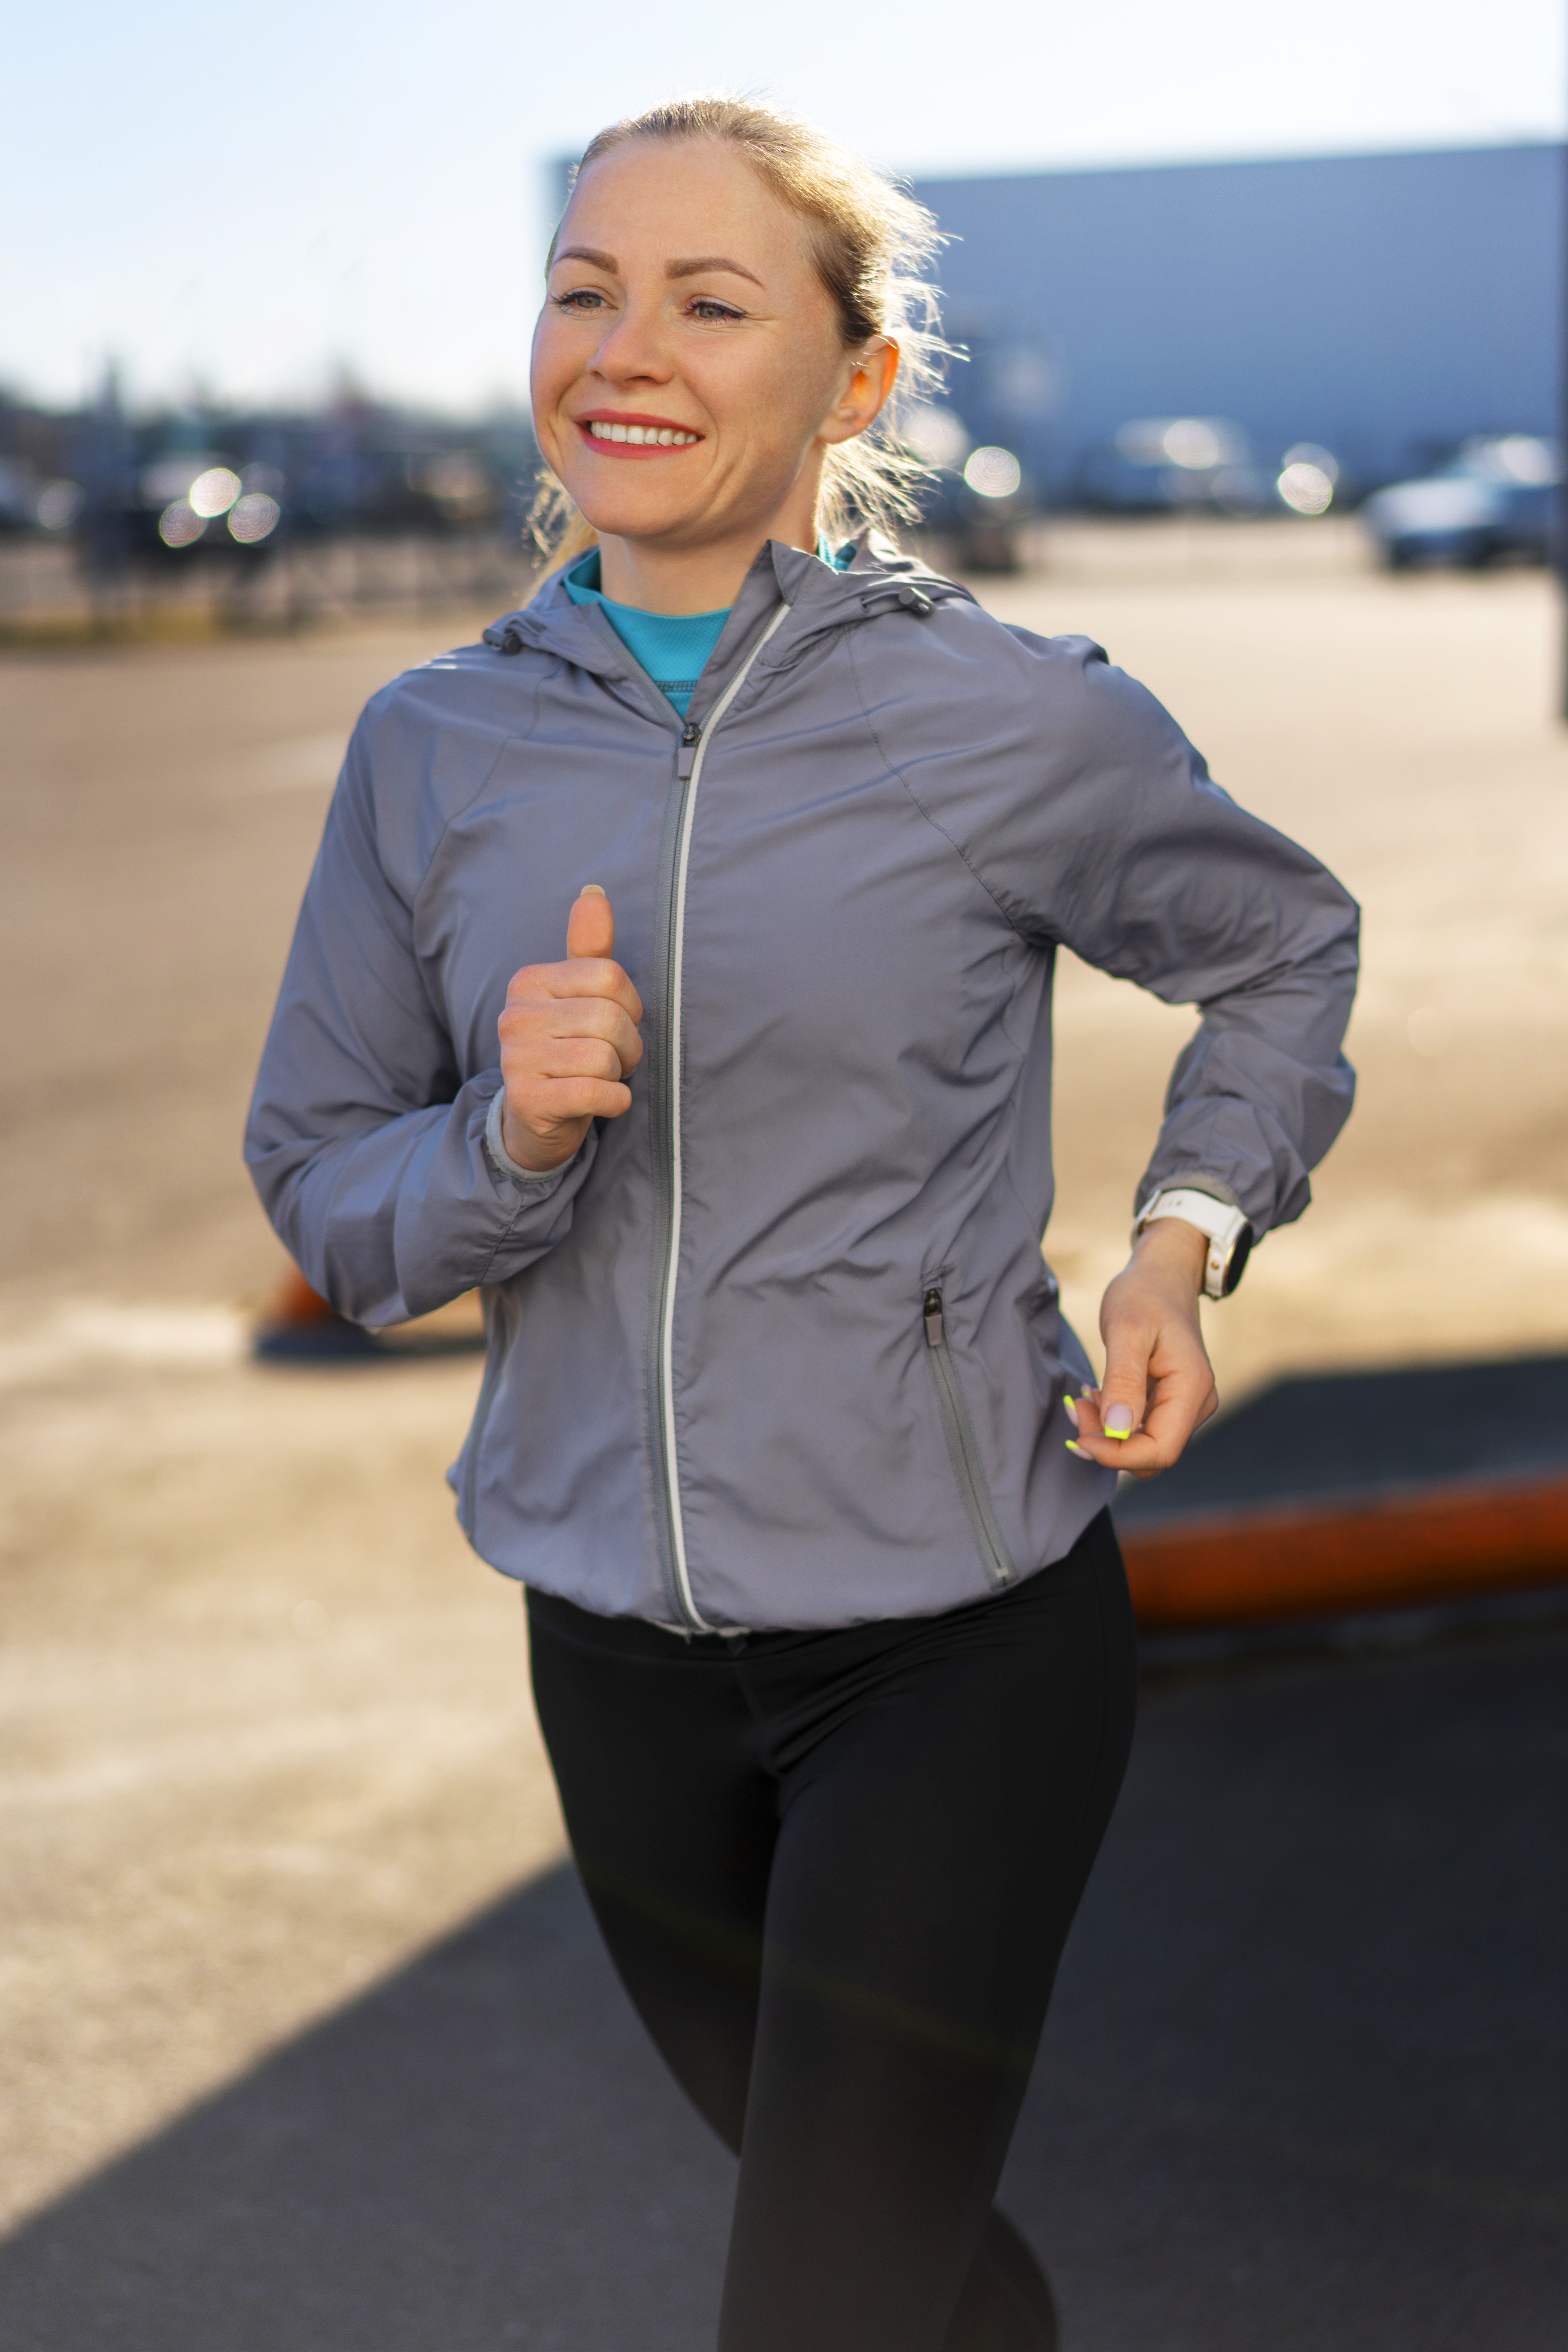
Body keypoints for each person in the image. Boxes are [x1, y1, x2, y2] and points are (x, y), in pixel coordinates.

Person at [246, 94, 1359, 2352]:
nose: (624, 348)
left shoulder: (1002, 716)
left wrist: (1182, 1234)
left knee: (826, 2303)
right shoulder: (429, 747)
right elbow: (329, 1193)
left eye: (709, 300)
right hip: (614, 1659)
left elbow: (1282, 947)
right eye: (584, 289)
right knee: (910, 2276)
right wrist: (507, 1138)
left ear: (857, 381)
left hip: (956, 1645)